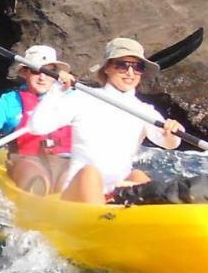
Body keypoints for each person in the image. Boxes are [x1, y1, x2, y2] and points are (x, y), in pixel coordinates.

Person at [27, 37, 184, 204]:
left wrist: (173, 132)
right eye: (122, 65)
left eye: (137, 67)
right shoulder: (82, 98)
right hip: (79, 190)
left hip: (118, 190)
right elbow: (36, 127)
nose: (130, 73)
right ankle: (99, 217)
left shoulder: (144, 110)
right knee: (90, 173)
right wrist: (56, 91)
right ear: (107, 68)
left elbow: (169, 143)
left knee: (138, 176)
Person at [0, 45, 73, 195]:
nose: (42, 77)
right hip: (25, 160)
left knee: (72, 182)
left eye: (50, 72)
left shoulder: (70, 98)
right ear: (24, 72)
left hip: (64, 161)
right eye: (37, 71)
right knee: (37, 180)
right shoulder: (8, 102)